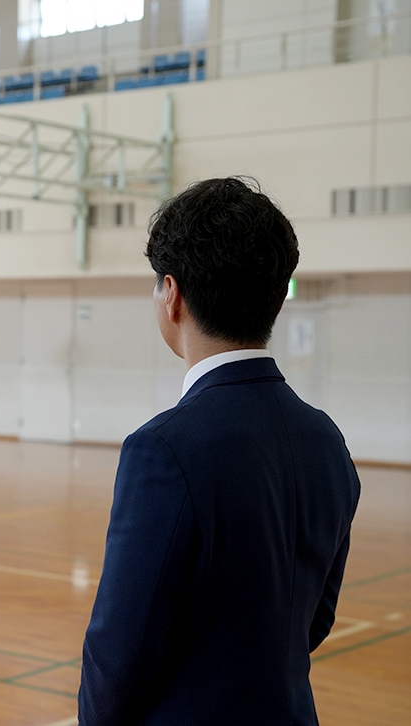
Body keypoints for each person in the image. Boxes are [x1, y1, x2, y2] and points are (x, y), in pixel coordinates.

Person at [78, 177, 361, 725]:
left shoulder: (163, 448)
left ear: (172, 294)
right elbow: (314, 621)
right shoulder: (327, 438)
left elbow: (120, 655)